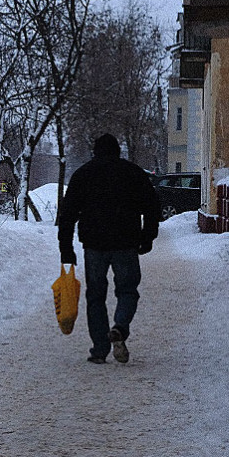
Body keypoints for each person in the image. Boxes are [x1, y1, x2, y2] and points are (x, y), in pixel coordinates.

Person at [58, 134, 161, 364]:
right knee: (127, 290)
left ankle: (99, 349)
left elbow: (67, 215)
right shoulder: (133, 173)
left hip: (94, 245)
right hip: (126, 243)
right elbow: (152, 206)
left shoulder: (83, 174)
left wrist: (66, 248)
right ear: (117, 151)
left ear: (95, 151)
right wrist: (148, 236)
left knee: (95, 296)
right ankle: (120, 327)